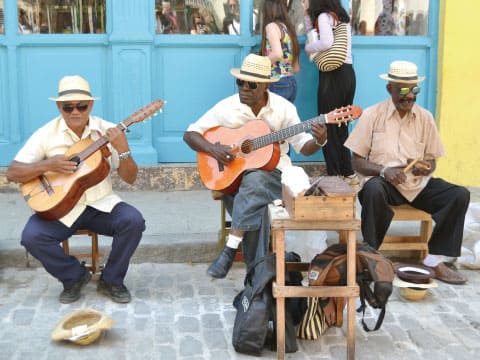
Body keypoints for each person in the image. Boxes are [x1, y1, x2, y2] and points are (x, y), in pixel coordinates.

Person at [183, 54, 327, 279]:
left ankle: (232, 250)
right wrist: (214, 150)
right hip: (234, 181)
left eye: (251, 84)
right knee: (256, 205)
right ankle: (257, 279)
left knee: (257, 180)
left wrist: (318, 140)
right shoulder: (227, 107)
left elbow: (302, 146)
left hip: (274, 176)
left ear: (266, 86)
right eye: (240, 82)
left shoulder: (283, 109)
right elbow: (190, 134)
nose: (244, 89)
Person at [6, 75, 145, 303]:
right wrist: (48, 164)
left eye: (82, 105)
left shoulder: (107, 131)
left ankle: (111, 280)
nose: (75, 112)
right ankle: (74, 277)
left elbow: (131, 178)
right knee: (31, 237)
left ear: (90, 105)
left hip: (101, 204)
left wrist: (124, 148)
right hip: (62, 209)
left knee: (134, 221)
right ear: (59, 107)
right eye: (67, 107)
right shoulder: (46, 134)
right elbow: (13, 172)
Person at [344, 60, 470, 285]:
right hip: (385, 184)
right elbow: (357, 162)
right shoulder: (372, 115)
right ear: (389, 89)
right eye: (402, 90)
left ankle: (433, 260)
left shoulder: (425, 118)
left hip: (416, 185)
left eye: (414, 90)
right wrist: (384, 170)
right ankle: (372, 257)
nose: (409, 96)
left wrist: (426, 167)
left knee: (459, 194)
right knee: (372, 189)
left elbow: (431, 159)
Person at [303, 0, 357, 185]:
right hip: (348, 74)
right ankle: (347, 172)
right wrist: (306, 14)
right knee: (342, 125)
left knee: (328, 124)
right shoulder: (342, 19)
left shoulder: (324, 17)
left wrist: (308, 48)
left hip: (332, 76)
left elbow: (326, 42)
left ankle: (335, 175)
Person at [260, 0, 300, 103]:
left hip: (277, 81)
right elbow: (296, 68)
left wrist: (259, 64)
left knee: (272, 118)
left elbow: (277, 54)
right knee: (285, 118)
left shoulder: (272, 26)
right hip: (291, 81)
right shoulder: (288, 28)